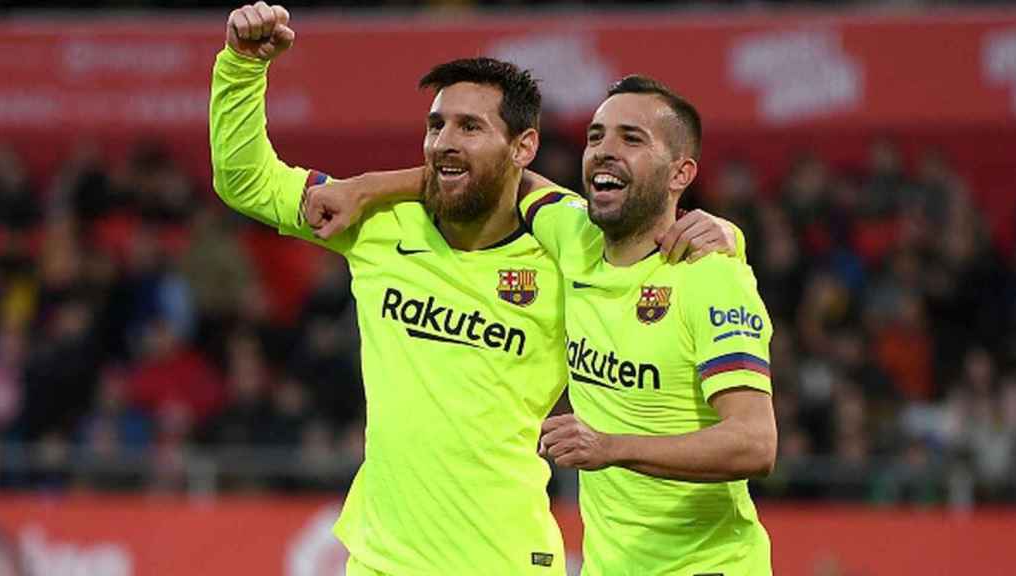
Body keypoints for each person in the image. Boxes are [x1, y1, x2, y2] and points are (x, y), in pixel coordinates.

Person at [211, 3, 737, 574]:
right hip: (381, 558)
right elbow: (246, 181)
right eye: (436, 125)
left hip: (506, 559)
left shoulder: (571, 244)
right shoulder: (376, 224)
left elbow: (656, 233)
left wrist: (726, 233)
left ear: (523, 146)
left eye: (470, 127)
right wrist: (242, 67)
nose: (443, 142)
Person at [530, 76, 776, 575]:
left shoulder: (710, 278)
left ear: (679, 173)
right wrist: (364, 188)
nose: (604, 150)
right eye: (596, 136)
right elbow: (494, 176)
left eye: (631, 138)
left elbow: (755, 442)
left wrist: (610, 447)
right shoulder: (573, 235)